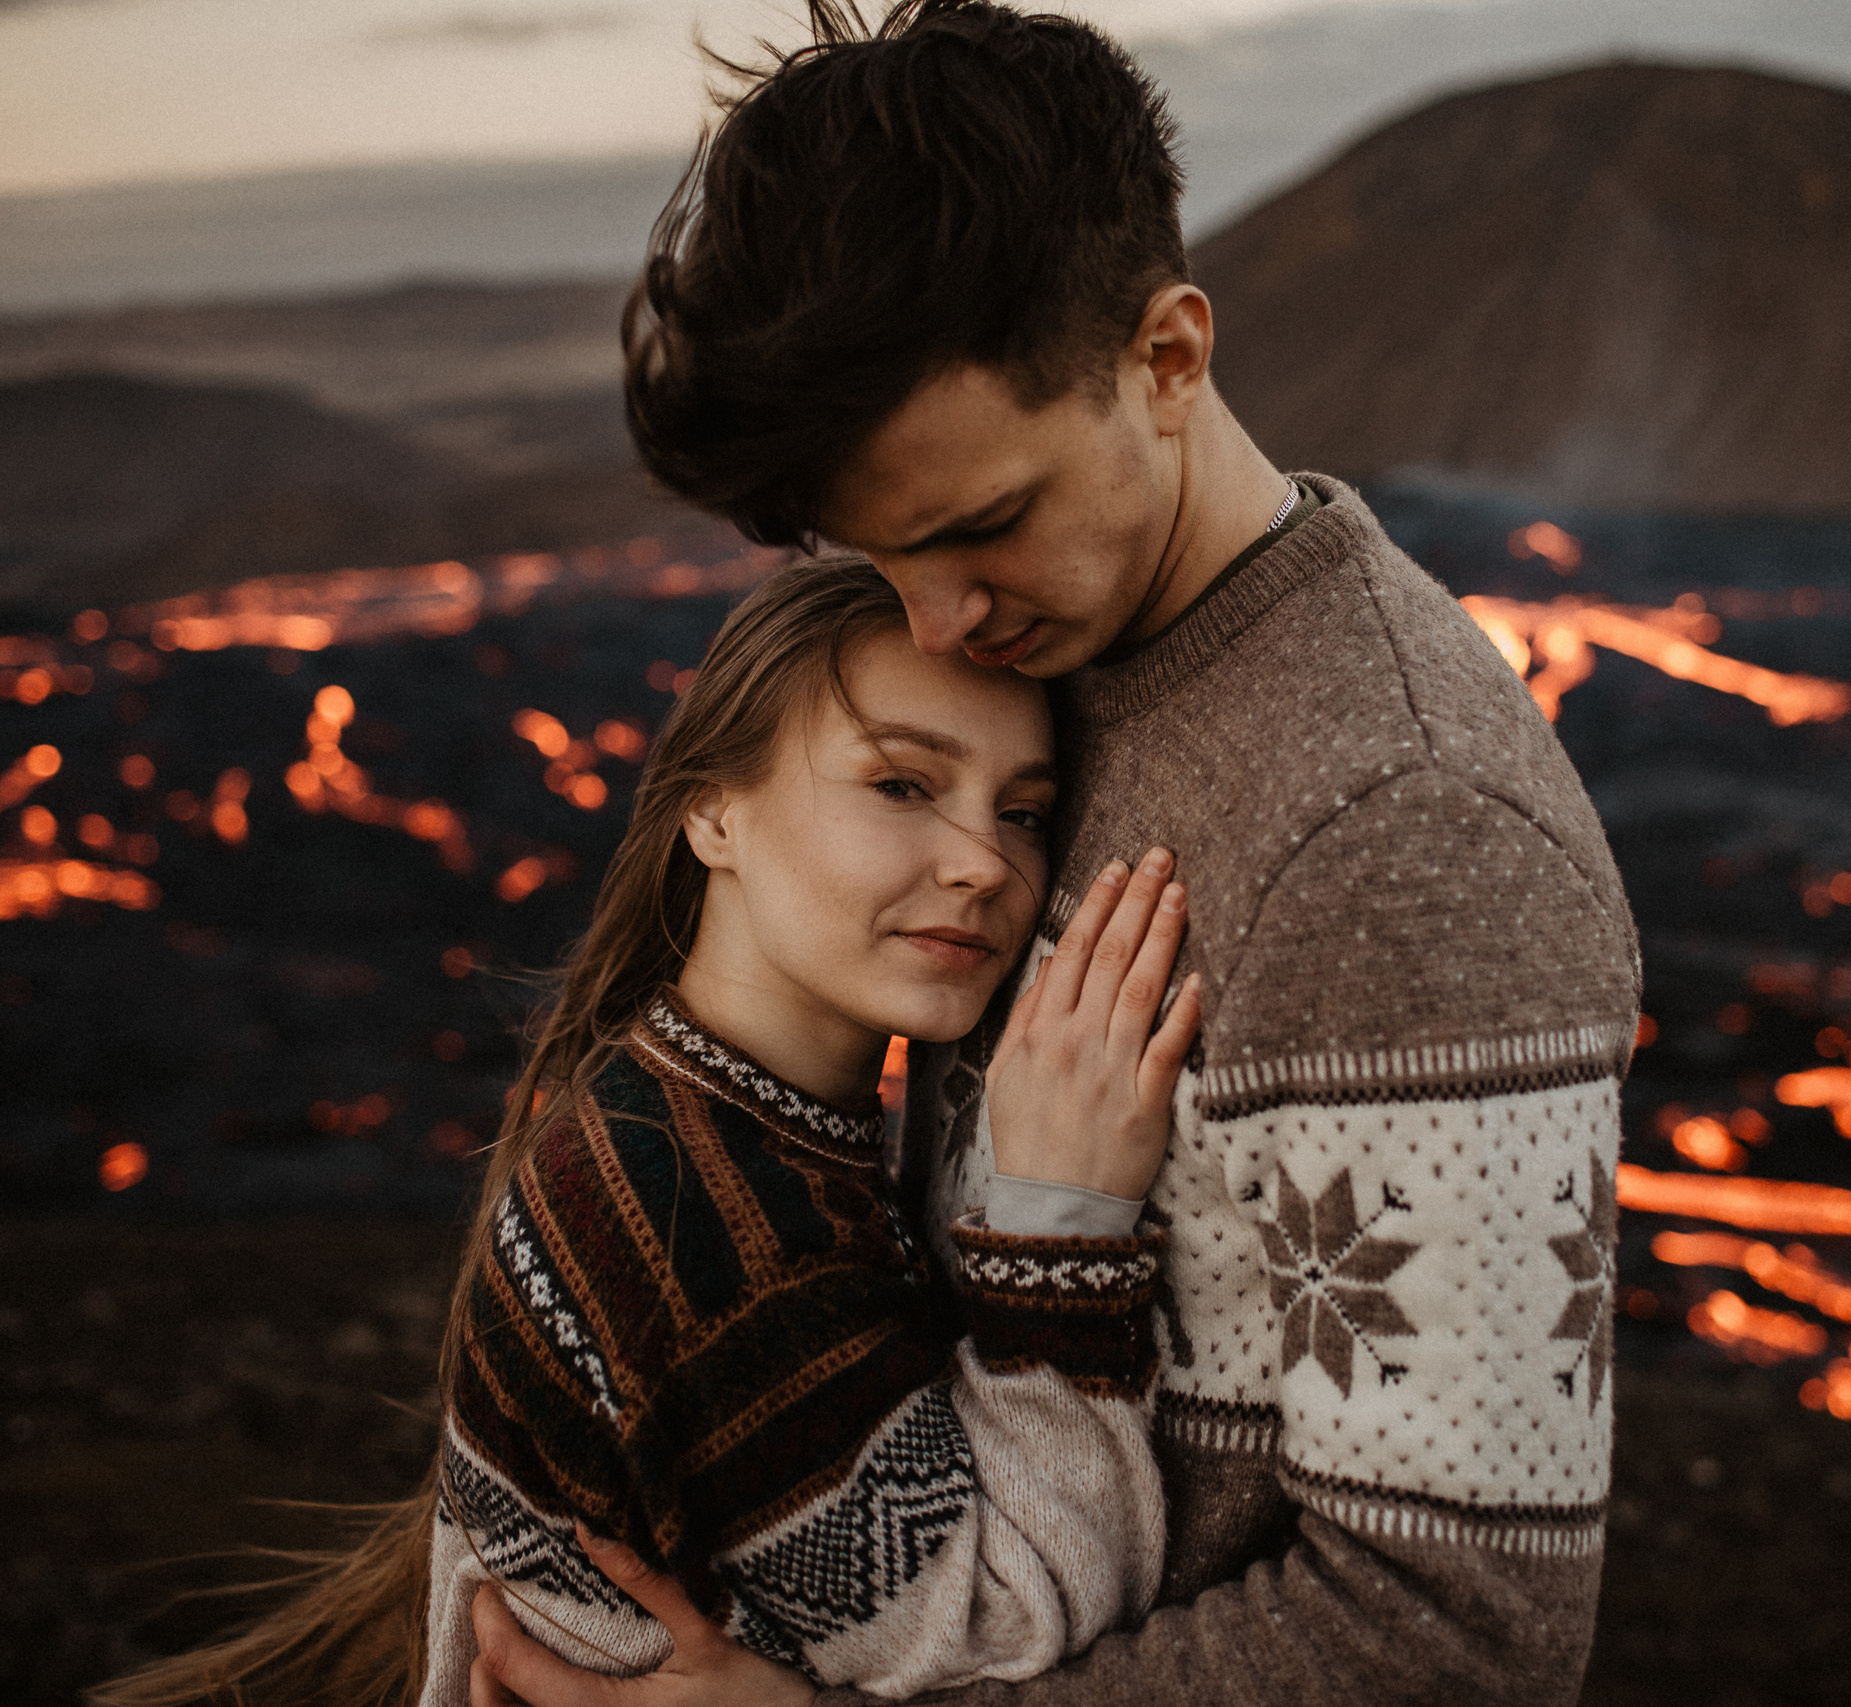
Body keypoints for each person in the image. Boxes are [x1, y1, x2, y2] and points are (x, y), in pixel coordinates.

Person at [470, 2, 1642, 1704]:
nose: (935, 618)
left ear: (1167, 360)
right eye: (877, 552)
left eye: (980, 525)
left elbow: (1458, 1637)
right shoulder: (1054, 666)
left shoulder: (1401, 831)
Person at [91, 556, 1207, 1706]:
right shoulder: (695, 1214)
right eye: (902, 786)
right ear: (713, 810)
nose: (985, 862)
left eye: (1022, 812)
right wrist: (1057, 1224)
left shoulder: (697, 1124)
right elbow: (1024, 1620)